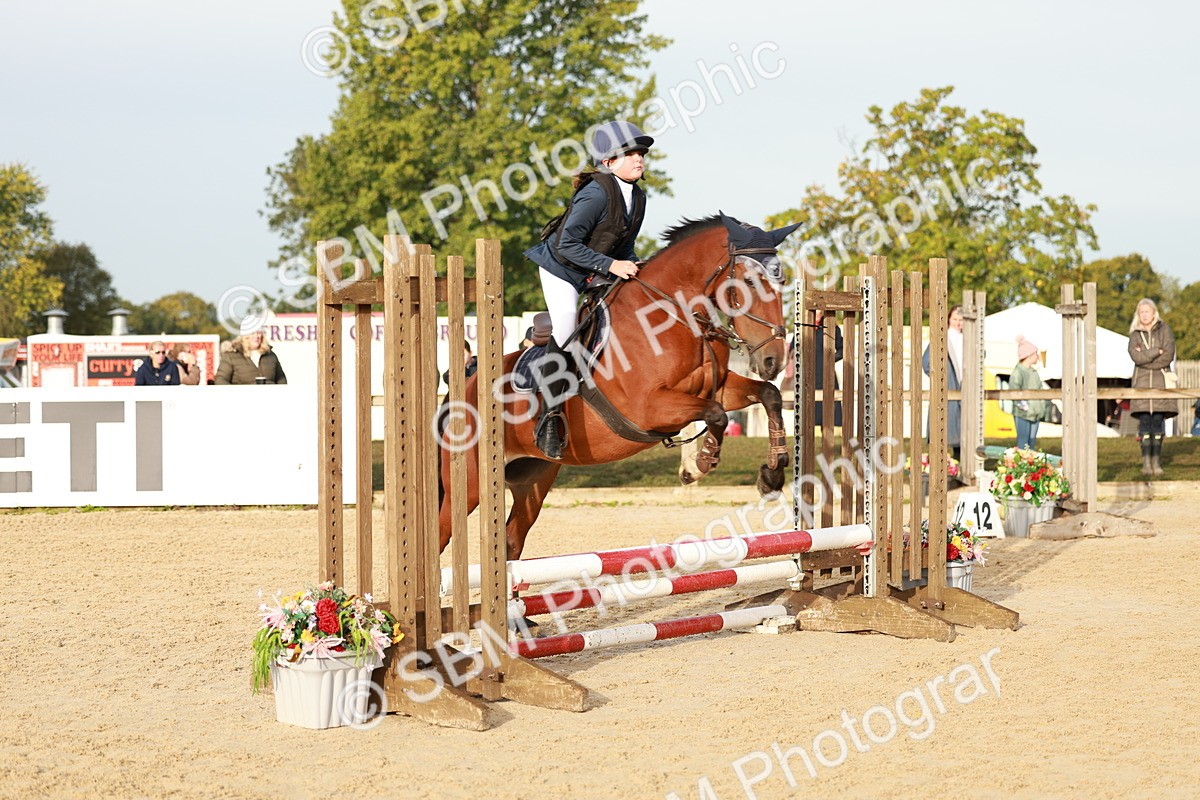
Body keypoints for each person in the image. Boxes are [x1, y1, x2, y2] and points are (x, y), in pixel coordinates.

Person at [522, 120, 654, 458]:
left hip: (593, 269)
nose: (639, 158)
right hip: (562, 269)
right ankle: (548, 417)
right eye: (631, 153)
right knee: (567, 327)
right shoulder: (596, 193)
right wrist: (611, 266)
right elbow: (567, 245)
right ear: (608, 161)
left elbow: (624, 245)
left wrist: (634, 265)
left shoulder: (638, 197)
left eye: (641, 152)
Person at [1128, 297, 1176, 477]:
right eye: (1141, 312)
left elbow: (1168, 355)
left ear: (1154, 312)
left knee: (1157, 422)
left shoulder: (1165, 330)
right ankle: (1146, 463)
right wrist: (1156, 351)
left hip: (1160, 383)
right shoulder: (1134, 335)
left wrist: (1146, 358)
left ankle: (1156, 461)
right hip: (1141, 384)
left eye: (1147, 311)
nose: (1144, 315)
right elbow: (1136, 357)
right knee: (1144, 424)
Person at [922, 305, 964, 460]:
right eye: (955, 319)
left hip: (964, 388)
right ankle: (940, 464)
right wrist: (941, 380)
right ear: (948, 319)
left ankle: (960, 466)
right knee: (943, 429)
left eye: (961, 320)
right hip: (947, 388)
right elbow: (926, 363)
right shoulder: (942, 338)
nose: (958, 323)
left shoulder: (969, 339)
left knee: (963, 433)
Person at [215, 320, 287, 385]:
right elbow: (220, 380)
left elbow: (281, 379)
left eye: (259, 332)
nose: (256, 336)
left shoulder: (270, 355)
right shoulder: (230, 356)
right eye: (252, 333)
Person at [1008, 336, 1048, 449]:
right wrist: (1025, 407)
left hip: (1035, 414)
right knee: (1023, 443)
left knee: (1032, 443)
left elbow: (1040, 390)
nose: (1038, 357)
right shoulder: (1018, 372)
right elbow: (1014, 391)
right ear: (1029, 355)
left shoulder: (1034, 372)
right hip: (1023, 414)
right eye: (1036, 354)